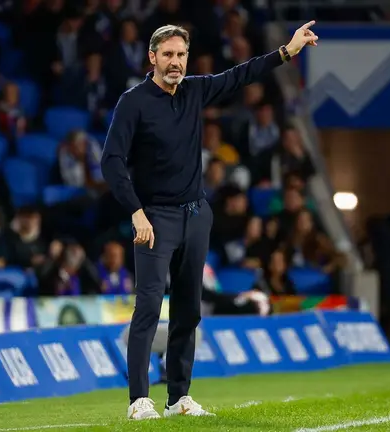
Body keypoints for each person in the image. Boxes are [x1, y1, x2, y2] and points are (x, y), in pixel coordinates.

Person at [101, 22, 319, 420]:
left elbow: (241, 75)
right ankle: (138, 401)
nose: (175, 62)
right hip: (154, 218)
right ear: (152, 58)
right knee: (148, 306)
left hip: (196, 215)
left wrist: (286, 52)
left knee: (189, 310)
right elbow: (111, 161)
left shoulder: (195, 90)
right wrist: (136, 212)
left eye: (181, 55)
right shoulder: (133, 102)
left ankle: (178, 398)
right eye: (167, 55)